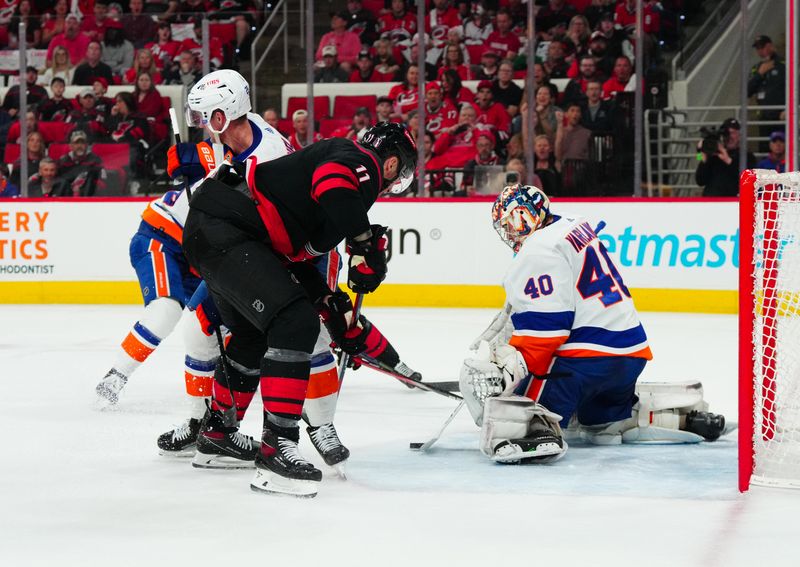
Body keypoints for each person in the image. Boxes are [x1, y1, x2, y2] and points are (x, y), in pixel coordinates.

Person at [181, 121, 418, 497]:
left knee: (251, 336)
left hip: (217, 229)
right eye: (397, 174)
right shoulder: (361, 162)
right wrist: (366, 242)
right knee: (294, 324)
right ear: (391, 165)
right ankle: (278, 450)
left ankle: (217, 435)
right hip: (227, 230)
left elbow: (289, 259)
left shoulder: (335, 186)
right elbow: (333, 179)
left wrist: (326, 299)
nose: (390, 184)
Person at [459, 184, 723, 464]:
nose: (510, 233)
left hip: (586, 364)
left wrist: (512, 366)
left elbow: (549, 329)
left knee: (515, 408)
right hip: (630, 356)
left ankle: (537, 431)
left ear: (526, 215)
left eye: (511, 223)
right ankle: (671, 418)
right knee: (600, 424)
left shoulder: (536, 250)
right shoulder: (572, 224)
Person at [695, 118, 757, 197]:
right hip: (711, 202)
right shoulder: (714, 155)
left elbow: (749, 181)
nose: (730, 137)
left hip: (733, 203)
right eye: (727, 133)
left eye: (733, 133)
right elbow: (699, 181)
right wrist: (701, 156)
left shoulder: (747, 156)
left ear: (739, 135)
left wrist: (728, 160)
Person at [747, 35, 786, 151]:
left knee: (781, 149)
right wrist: (760, 74)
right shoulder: (756, 68)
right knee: (764, 149)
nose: (760, 51)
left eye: (762, 47)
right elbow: (747, 91)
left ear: (770, 46)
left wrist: (788, 109)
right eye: (758, 48)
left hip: (781, 117)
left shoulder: (784, 65)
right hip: (764, 117)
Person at [56, 130, 106, 196]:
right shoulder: (63, 161)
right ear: (71, 146)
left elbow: (102, 182)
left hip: (88, 196)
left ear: (87, 145)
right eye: (76, 143)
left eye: (82, 143)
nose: (79, 146)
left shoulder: (95, 160)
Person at [461, 130, 503, 195]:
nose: (484, 148)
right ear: (477, 147)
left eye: (486, 145)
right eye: (481, 145)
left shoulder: (500, 162)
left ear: (492, 146)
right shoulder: (470, 164)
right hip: (475, 196)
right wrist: (467, 188)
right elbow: (463, 185)